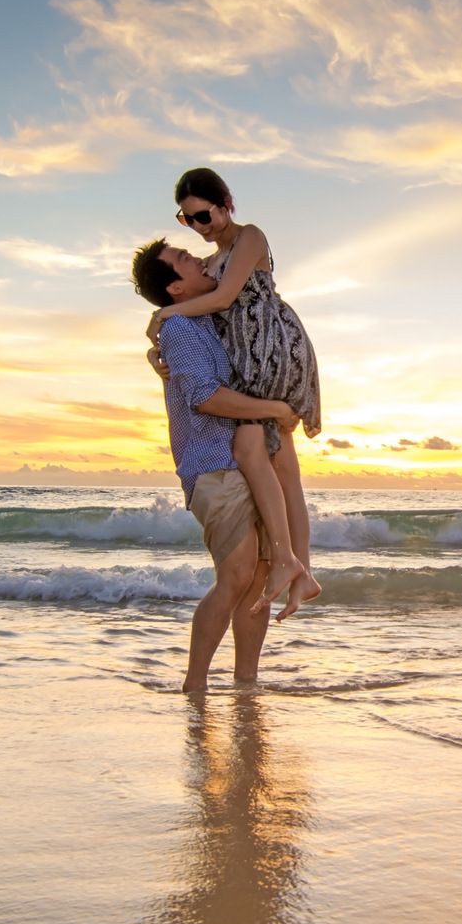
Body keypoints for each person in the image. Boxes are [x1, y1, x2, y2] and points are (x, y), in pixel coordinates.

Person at [143, 168, 322, 617]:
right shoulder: (215, 256)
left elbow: (224, 300)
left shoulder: (249, 238)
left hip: (269, 348)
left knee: (249, 446)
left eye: (204, 215)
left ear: (226, 203)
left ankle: (285, 560)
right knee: (284, 468)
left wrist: (164, 316)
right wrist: (163, 343)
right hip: (250, 356)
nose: (200, 227)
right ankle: (302, 573)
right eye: (189, 221)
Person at [136, 241, 301, 692]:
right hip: (211, 464)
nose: (196, 257)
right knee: (236, 574)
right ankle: (195, 685)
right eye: (184, 260)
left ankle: (246, 684)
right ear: (175, 287)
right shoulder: (181, 332)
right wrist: (272, 409)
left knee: (260, 575)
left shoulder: (209, 318)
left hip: (249, 460)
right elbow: (205, 397)